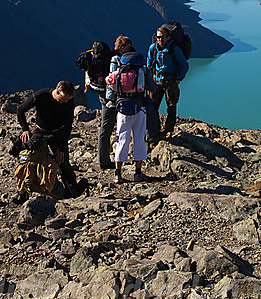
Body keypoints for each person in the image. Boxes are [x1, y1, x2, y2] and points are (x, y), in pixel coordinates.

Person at [13, 81, 83, 200]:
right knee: (30, 159)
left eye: (68, 99)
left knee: (62, 162)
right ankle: (23, 191)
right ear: (57, 92)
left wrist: (61, 148)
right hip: (40, 131)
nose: (66, 102)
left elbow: (68, 126)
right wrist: (25, 129)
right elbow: (20, 109)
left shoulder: (69, 102)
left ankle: (72, 190)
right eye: (63, 99)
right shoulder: (41, 95)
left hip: (58, 133)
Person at [105, 44, 149, 184]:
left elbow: (109, 84)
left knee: (121, 139)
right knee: (139, 139)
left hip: (122, 109)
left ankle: (118, 173)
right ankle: (137, 173)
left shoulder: (118, 72)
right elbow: (152, 87)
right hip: (139, 109)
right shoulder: (143, 71)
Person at [147, 25, 188, 143]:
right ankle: (155, 130)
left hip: (170, 82)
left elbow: (184, 65)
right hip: (157, 81)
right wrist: (149, 79)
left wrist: (179, 78)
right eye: (158, 37)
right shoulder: (152, 49)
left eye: (163, 37)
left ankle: (168, 131)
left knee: (171, 106)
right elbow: (149, 64)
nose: (160, 40)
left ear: (168, 37)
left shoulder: (174, 49)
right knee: (153, 106)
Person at [78, 40, 116, 170]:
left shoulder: (92, 59)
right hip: (116, 96)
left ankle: (103, 159)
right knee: (111, 127)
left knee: (105, 128)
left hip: (101, 94)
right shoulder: (112, 58)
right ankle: (106, 161)